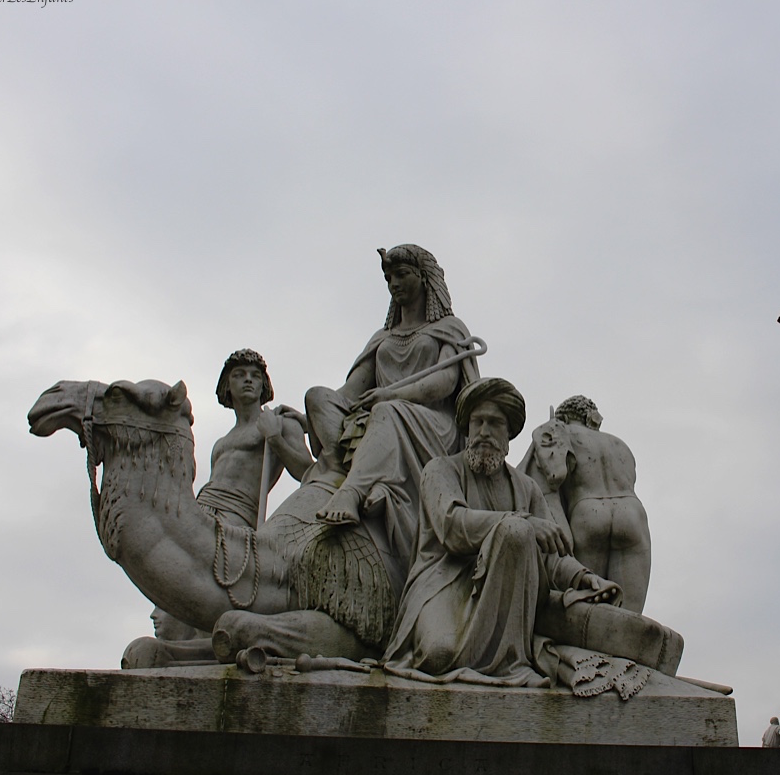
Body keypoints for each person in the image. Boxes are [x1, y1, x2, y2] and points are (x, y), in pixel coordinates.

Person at [382, 378, 619, 687]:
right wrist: (521, 522)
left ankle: (509, 657)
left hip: (505, 596)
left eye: (494, 424)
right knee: (437, 656)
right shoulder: (440, 470)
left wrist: (584, 578)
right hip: (444, 583)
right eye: (477, 422)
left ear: (509, 435)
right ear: (466, 429)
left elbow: (551, 554)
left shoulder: (527, 488)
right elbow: (452, 525)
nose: (483, 432)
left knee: (516, 532)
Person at [304, 245, 481, 569]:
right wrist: (308, 415)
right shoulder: (382, 337)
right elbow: (351, 391)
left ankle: (353, 491)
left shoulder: (450, 328)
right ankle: (344, 469)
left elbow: (443, 383)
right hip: (378, 414)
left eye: (401, 275)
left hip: (431, 423)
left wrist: (391, 395)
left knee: (388, 412)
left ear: (424, 278)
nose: (393, 283)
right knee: (317, 395)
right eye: (388, 277)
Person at [519, 395, 652, 613]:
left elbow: (547, 484)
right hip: (632, 514)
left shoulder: (558, 433)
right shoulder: (619, 444)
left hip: (588, 513)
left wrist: (561, 539)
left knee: (589, 609)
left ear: (563, 417)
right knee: (628, 616)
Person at [197, 348, 313, 529]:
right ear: (227, 384)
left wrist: (275, 438)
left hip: (237, 518)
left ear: (263, 385)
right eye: (239, 375)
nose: (248, 379)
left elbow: (308, 472)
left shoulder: (281, 423)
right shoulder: (220, 443)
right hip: (202, 510)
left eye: (255, 376)